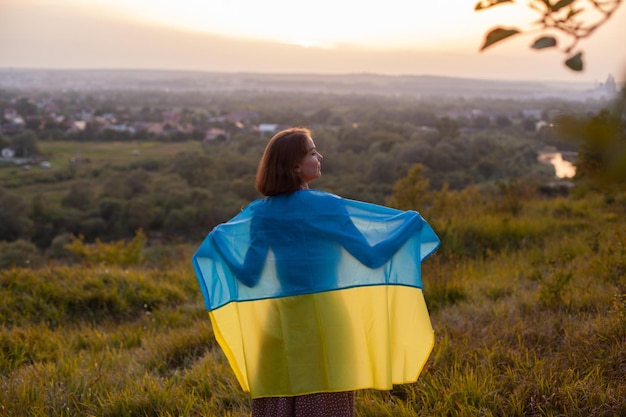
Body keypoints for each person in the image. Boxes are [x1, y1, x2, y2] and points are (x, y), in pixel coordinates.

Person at [193, 127, 440, 417]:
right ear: (295, 166)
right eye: (312, 151)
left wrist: (221, 245)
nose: (319, 156)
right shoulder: (328, 206)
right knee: (325, 404)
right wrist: (410, 225)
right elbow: (372, 258)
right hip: (328, 321)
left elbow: (248, 276)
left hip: (281, 321)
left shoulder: (261, 213)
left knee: (279, 399)